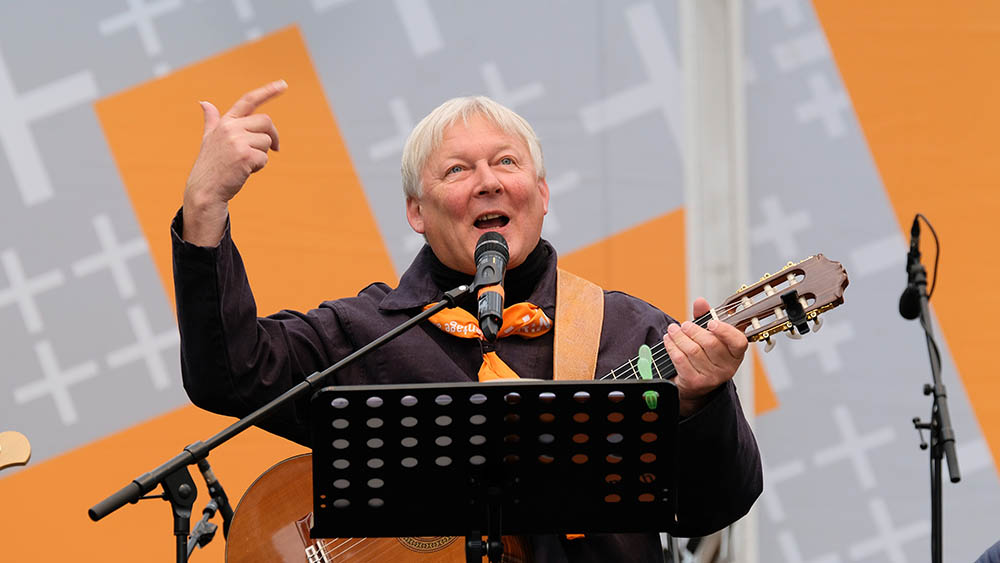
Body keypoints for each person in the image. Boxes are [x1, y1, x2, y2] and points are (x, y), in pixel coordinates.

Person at [172, 80, 762, 562]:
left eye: (506, 161)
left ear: (541, 192)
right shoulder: (366, 333)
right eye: (457, 170)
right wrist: (204, 206)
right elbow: (229, 373)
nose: (488, 181)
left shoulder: (628, 331)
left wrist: (700, 403)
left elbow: (714, 506)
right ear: (416, 211)